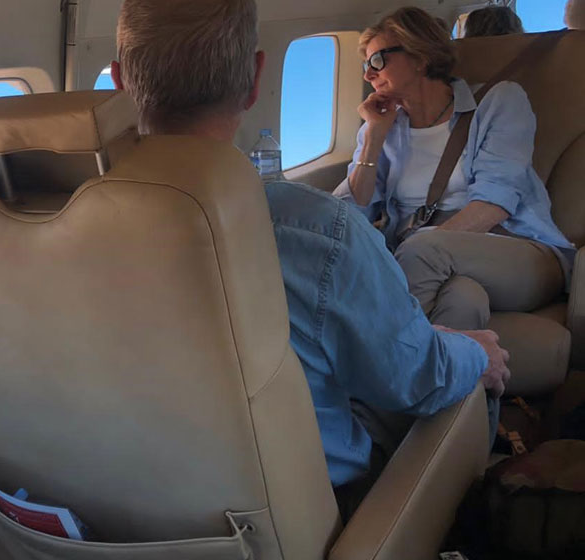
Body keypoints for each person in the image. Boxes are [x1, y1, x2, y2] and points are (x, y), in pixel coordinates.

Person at [111, 0, 509, 518]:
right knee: (466, 371)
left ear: (119, 81)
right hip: (307, 505)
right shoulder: (316, 230)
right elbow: (417, 379)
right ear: (256, 79)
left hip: (138, 499)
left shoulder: (60, 227)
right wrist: (475, 355)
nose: (370, 74)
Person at [334, 7, 574, 333]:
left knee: (423, 250)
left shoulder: (498, 102)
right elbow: (350, 210)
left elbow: (494, 203)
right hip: (440, 263)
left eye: (377, 60)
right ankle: (457, 367)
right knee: (464, 300)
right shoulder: (383, 126)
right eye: (366, 65)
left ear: (419, 57)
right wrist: (374, 137)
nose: (368, 75)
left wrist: (417, 248)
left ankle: (384, 354)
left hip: (518, 251)